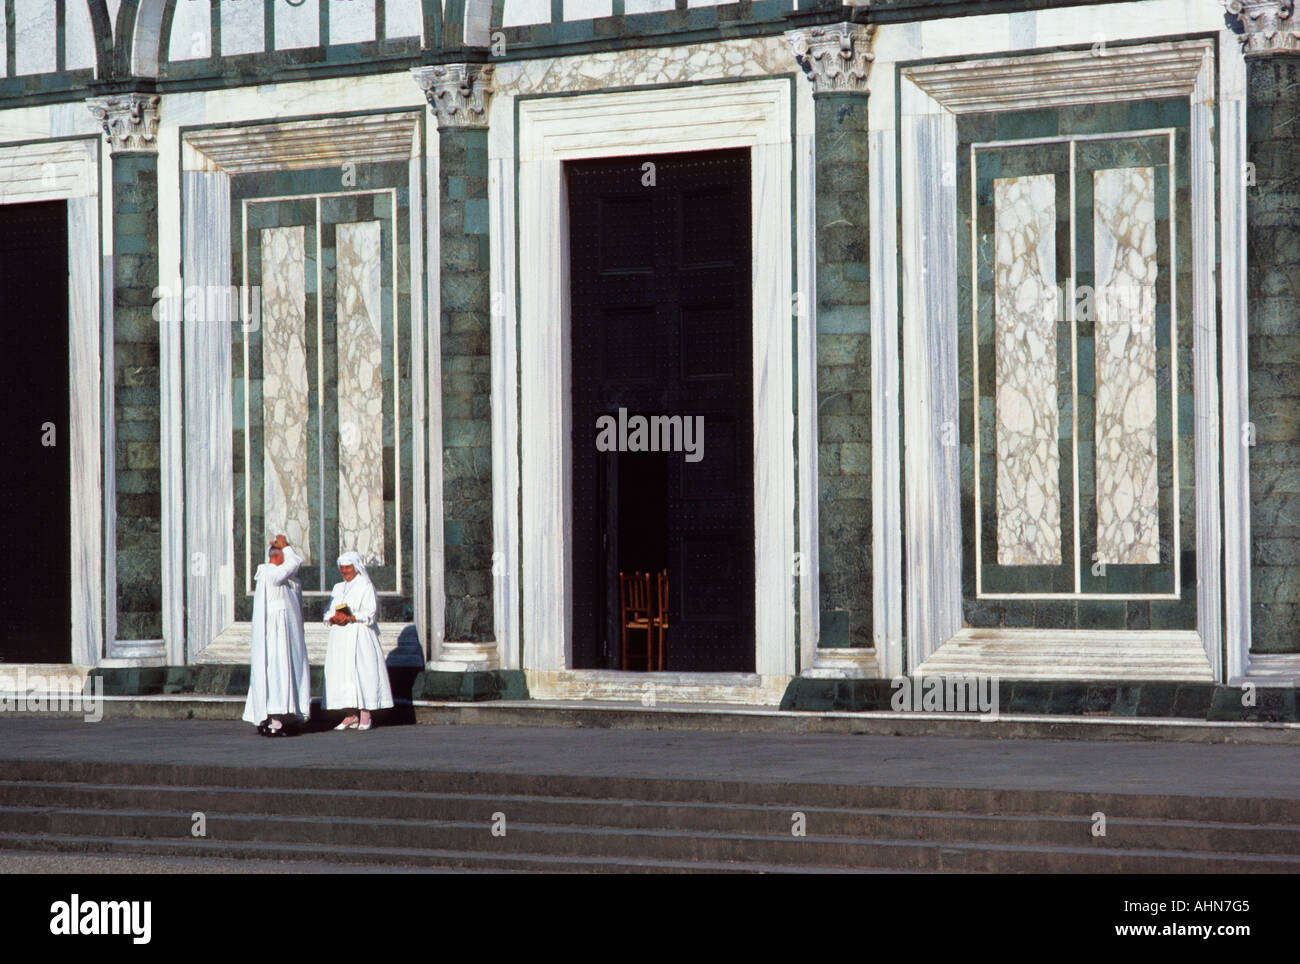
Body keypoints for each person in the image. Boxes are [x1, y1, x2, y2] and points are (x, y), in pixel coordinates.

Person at [243, 534, 311, 736]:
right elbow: (296, 562)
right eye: (282, 554)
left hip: (286, 632)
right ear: (277, 557)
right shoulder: (271, 573)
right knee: (277, 670)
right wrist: (286, 546)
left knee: (288, 668)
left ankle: (285, 716)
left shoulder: (281, 577)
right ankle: (275, 718)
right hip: (277, 633)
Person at [323, 550, 393, 731]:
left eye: (348, 567)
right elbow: (328, 611)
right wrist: (333, 618)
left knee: (362, 672)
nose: (344, 571)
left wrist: (351, 618)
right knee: (344, 674)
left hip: (360, 636)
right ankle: (350, 714)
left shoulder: (365, 585)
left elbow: (370, 613)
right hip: (340, 638)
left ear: (356, 567)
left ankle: (365, 712)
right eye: (342, 568)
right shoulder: (338, 587)